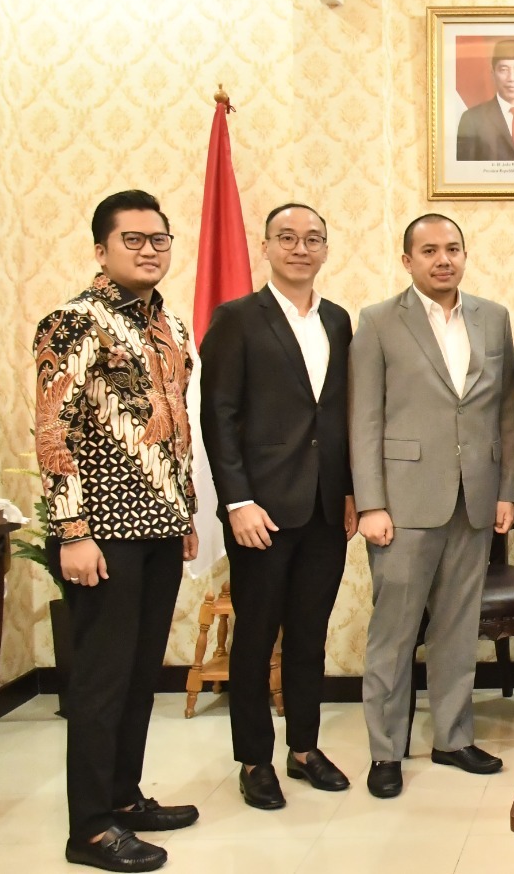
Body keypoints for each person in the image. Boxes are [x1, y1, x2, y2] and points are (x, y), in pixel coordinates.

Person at [35, 189, 200, 872]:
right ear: (101, 249)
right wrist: (71, 531)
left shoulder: (172, 328)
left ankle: (124, 798)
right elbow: (55, 433)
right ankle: (90, 828)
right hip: (100, 535)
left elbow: (177, 432)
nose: (149, 250)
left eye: (159, 239)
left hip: (159, 527)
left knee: (139, 676)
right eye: (132, 239)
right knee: (102, 683)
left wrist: (184, 514)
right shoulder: (73, 322)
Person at [350, 214, 514, 798]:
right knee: (394, 633)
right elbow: (364, 418)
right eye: (428, 250)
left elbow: (505, 410)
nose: (442, 259)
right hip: (403, 505)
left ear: (465, 255)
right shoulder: (377, 321)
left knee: (457, 628)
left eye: (452, 248)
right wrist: (371, 504)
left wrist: (507, 490)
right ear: (407, 260)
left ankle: (453, 737)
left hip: (473, 500)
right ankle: (385, 750)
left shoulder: (493, 318)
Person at [199, 203, 357, 811]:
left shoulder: (338, 320)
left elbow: (340, 416)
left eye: (313, 239)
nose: (300, 248)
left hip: (324, 508)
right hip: (259, 510)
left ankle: (304, 749)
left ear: (325, 249)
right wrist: (236, 500)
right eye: (287, 238)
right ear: (264, 247)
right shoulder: (237, 318)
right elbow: (219, 416)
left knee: (310, 636)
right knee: (256, 637)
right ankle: (254, 760)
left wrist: (350, 491)